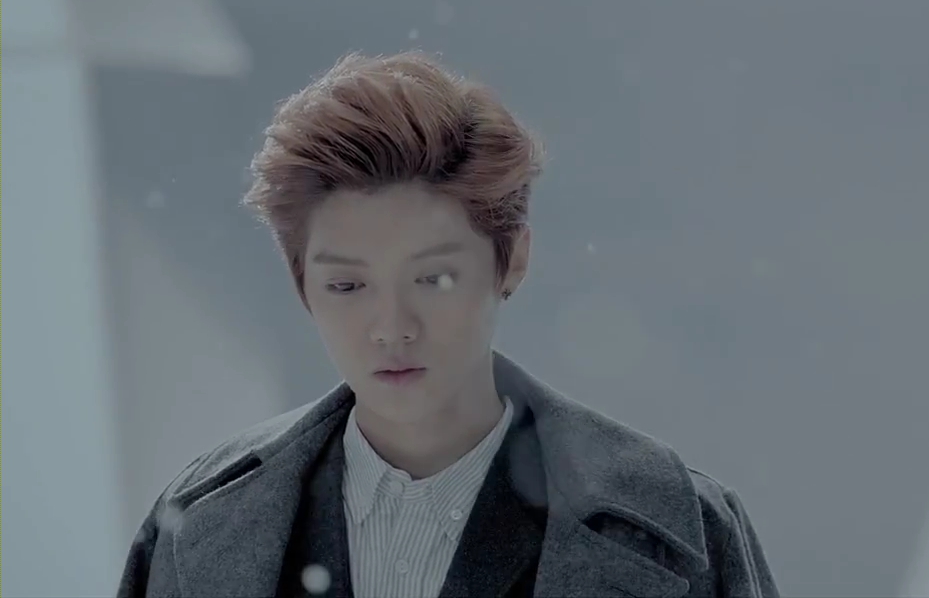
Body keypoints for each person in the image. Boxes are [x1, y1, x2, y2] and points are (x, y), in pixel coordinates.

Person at [117, 51, 779, 598]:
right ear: (302, 286)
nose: (391, 327)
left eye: (433, 279)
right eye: (347, 286)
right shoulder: (198, 528)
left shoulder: (677, 526)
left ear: (511, 260)